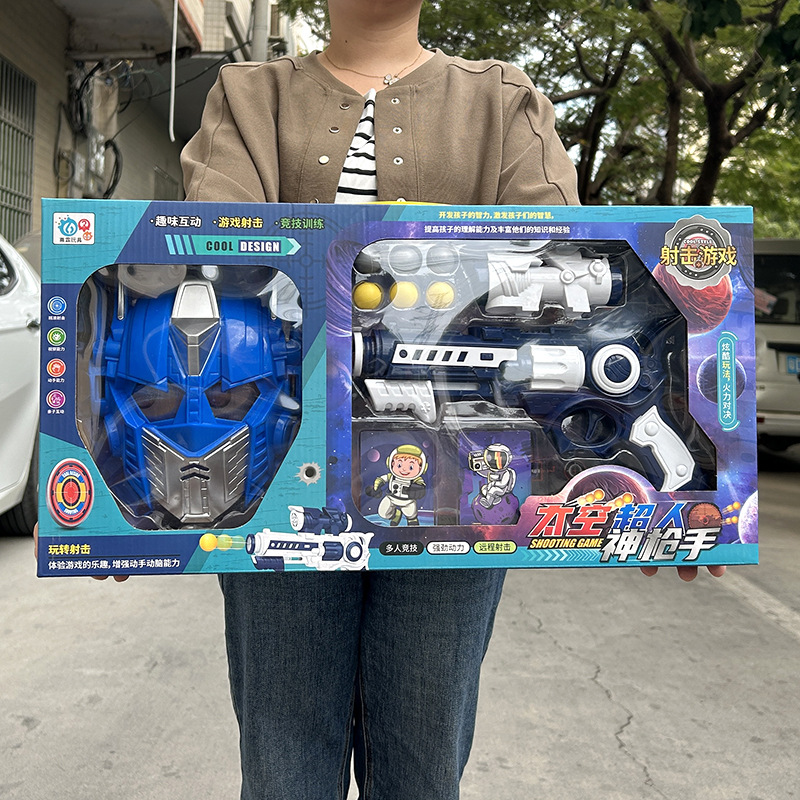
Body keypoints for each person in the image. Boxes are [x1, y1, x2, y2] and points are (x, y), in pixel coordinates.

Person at [179, 2, 724, 798]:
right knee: (284, 768)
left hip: (467, 490)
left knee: (423, 766)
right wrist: (119, 521)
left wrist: (673, 512)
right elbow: (206, 264)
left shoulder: (504, 101)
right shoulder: (247, 94)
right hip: (285, 480)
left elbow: (566, 283)